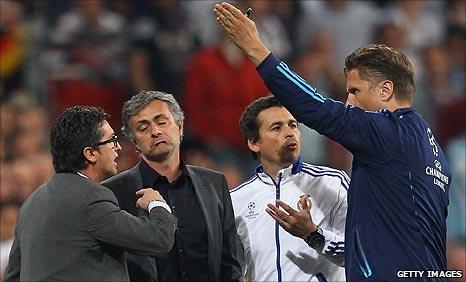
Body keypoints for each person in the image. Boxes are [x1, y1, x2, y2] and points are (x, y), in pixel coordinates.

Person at [214, 3, 451, 281]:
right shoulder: (431, 150)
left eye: (355, 91)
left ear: (386, 90)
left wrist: (255, 48)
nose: (348, 100)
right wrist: (314, 235)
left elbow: (315, 108)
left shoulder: (389, 133)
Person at [3, 106, 177, 282]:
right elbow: (158, 240)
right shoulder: (91, 197)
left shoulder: (31, 203)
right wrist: (157, 204)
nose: (117, 147)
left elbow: (13, 276)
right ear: (90, 154)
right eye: (111, 140)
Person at [101, 90, 242, 282]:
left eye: (161, 121)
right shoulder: (112, 192)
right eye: (143, 128)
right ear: (134, 142)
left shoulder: (214, 183)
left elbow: (229, 260)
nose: (155, 131)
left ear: (180, 126)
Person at [230, 96, 348, 281]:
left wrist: (312, 234)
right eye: (277, 128)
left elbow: (360, 252)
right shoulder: (235, 200)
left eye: (293, 125)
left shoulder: (333, 183)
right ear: (254, 143)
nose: (289, 133)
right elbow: (232, 269)